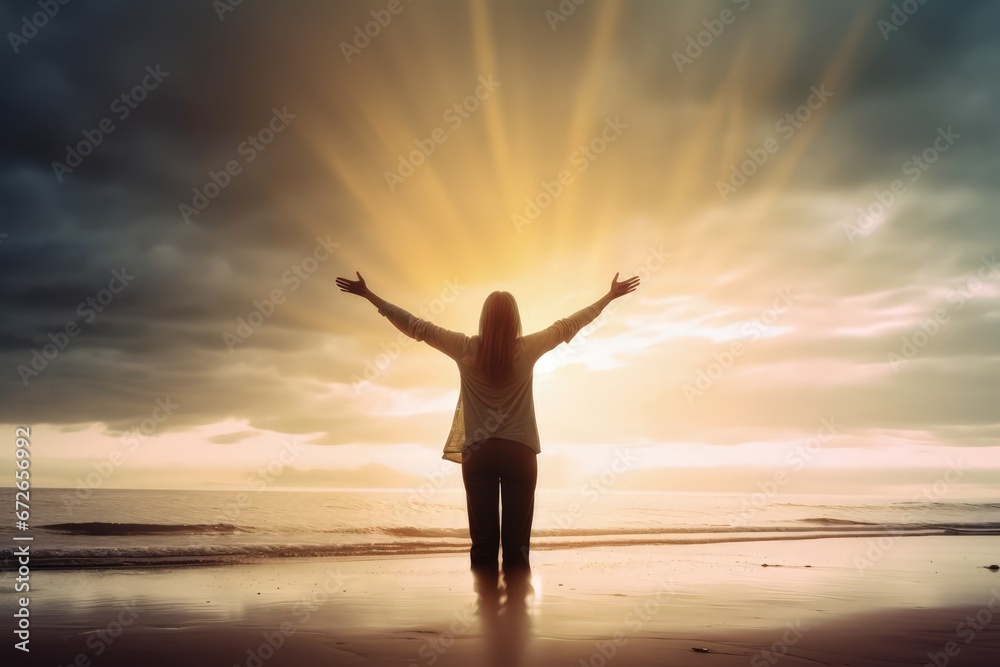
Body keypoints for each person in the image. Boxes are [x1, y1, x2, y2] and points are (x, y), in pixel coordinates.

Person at [336, 271, 640, 607]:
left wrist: (370, 295)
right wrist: (608, 297)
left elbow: (415, 326)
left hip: (478, 455)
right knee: (516, 543)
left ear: (483, 318)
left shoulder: (465, 348)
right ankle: (516, 614)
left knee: (483, 542)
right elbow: (570, 324)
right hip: (520, 453)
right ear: (516, 320)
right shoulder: (527, 348)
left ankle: (485, 609)